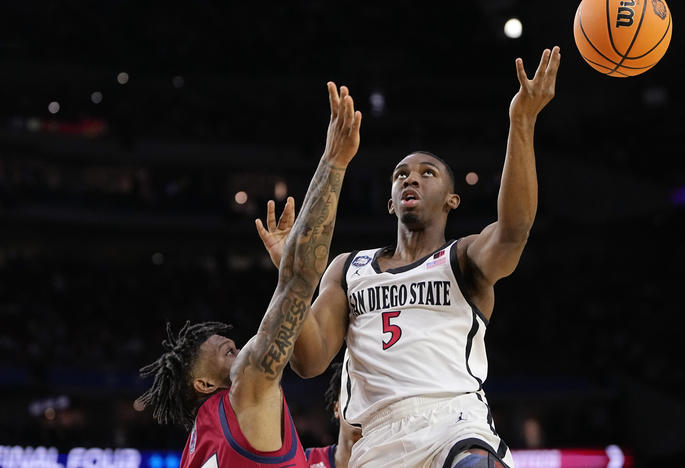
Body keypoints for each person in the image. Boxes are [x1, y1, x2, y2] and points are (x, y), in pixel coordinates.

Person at [257, 47, 561, 468]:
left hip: (454, 421)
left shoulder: (463, 259)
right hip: (378, 440)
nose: (411, 177)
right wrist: (291, 275)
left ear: (451, 200)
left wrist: (522, 121)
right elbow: (308, 361)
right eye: (401, 174)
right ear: (390, 202)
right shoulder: (349, 268)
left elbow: (513, 231)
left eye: (426, 172)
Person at [136, 81, 362, 468]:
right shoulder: (246, 387)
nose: (225, 339)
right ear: (205, 384)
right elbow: (300, 280)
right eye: (216, 347)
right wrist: (334, 162)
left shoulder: (197, 448)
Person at [304, 361, 362, 468]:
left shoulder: (398, 459)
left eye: (369, 400)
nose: (362, 407)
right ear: (336, 408)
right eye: (352, 395)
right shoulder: (305, 461)